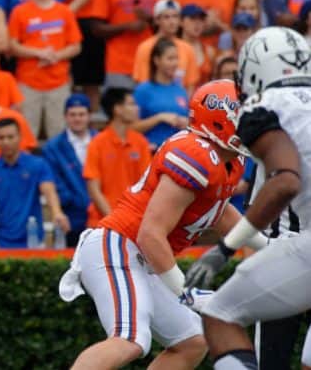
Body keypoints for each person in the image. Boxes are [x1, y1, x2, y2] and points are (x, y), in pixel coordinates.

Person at [61, 79, 249, 369]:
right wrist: (186, 293)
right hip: (120, 244)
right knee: (130, 338)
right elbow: (150, 234)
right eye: (245, 115)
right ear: (221, 120)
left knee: (192, 340)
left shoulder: (227, 162)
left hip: (141, 256)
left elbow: (220, 213)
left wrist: (269, 245)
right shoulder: (198, 155)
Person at [178, 27, 311, 370]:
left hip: (299, 247)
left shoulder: (264, 109)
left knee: (220, 315)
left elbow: (284, 182)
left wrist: (223, 250)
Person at [9, 0, 82, 139]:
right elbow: (11, 45)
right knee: (27, 136)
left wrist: (55, 56)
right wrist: (39, 53)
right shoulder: (20, 12)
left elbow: (76, 46)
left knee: (58, 135)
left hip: (58, 82)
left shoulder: (64, 11)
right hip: (28, 82)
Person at [0, 118, 70, 248]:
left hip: (33, 239)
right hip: (0, 241)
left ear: (20, 137)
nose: (6, 142)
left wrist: (57, 213)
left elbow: (49, 191)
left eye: (10, 137)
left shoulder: (37, 165)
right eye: (1, 138)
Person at [84, 87, 151, 226]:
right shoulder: (97, 143)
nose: (136, 108)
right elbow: (94, 189)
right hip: (102, 222)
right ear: (117, 109)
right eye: (131, 104)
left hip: (134, 221)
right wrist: (113, 220)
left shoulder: (141, 142)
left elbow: (147, 185)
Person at [41, 93, 94, 246]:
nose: (77, 119)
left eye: (82, 114)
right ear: (65, 116)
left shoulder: (101, 141)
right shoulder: (53, 147)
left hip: (100, 214)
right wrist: (70, 201)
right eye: (72, 114)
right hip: (71, 215)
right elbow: (54, 181)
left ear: (89, 116)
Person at [133, 38, 190, 148]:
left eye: (176, 58)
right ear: (157, 60)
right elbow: (132, 127)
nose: (175, 63)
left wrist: (186, 123)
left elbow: (190, 125)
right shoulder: (143, 90)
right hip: (152, 151)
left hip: (178, 152)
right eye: (170, 59)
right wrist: (159, 118)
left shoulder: (181, 90)